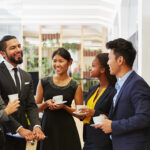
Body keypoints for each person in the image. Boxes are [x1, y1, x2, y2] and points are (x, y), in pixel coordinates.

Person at [95, 38, 150, 150]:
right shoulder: (122, 85)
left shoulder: (137, 84)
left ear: (120, 60)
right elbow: (126, 114)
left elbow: (145, 117)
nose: (107, 62)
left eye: (109, 58)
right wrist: (108, 120)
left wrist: (113, 125)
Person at [0, 35, 45, 150]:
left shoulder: (26, 76)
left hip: (22, 137)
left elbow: (31, 105)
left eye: (19, 46)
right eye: (12, 48)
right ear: (2, 53)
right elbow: (2, 108)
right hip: (3, 134)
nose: (18, 50)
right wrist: (19, 129)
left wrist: (36, 126)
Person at [36, 47, 83, 150]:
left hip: (67, 128)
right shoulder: (43, 82)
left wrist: (64, 107)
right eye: (54, 61)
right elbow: (35, 108)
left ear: (69, 62)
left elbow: (80, 114)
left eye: (61, 61)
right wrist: (46, 104)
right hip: (47, 127)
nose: (57, 64)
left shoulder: (75, 85)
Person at [79, 53, 116, 150]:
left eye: (93, 66)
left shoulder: (114, 91)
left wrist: (94, 113)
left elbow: (114, 116)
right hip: (88, 138)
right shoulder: (92, 89)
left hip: (103, 141)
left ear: (103, 69)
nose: (90, 68)